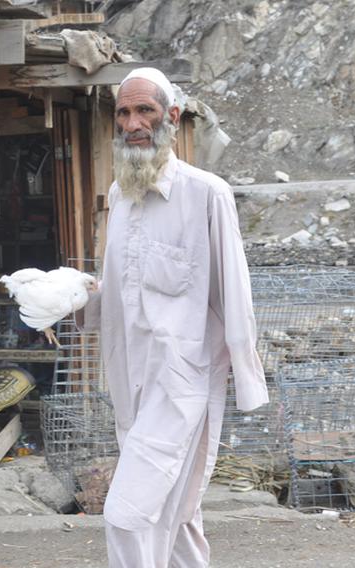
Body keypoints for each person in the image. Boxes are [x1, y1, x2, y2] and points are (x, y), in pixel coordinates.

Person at [78, 68, 269, 567]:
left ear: (173, 117)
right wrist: (74, 301)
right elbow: (117, 289)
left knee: (129, 514)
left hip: (182, 388)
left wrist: (247, 386)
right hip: (129, 384)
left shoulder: (206, 193)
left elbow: (235, 295)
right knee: (177, 514)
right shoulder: (120, 198)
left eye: (146, 110)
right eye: (123, 112)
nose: (133, 122)